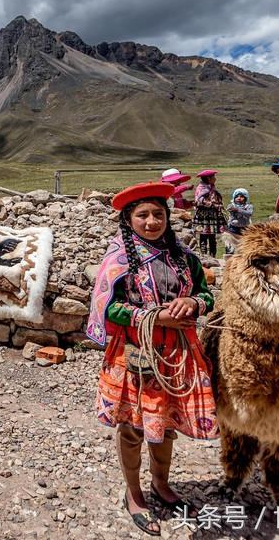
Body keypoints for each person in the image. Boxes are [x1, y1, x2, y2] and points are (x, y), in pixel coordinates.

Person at [87, 182, 218, 536]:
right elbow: (106, 308)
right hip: (135, 355)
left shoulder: (185, 258)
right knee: (132, 429)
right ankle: (134, 494)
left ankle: (161, 484)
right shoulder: (118, 261)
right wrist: (154, 317)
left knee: (167, 426)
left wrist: (193, 303)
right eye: (142, 215)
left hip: (178, 353)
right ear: (128, 219)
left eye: (158, 214)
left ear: (167, 217)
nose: (151, 221)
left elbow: (207, 295)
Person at [191, 170, 225, 258]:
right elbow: (200, 200)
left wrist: (218, 204)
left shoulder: (211, 187)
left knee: (212, 237)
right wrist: (212, 204)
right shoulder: (202, 188)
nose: (215, 179)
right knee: (203, 236)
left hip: (212, 216)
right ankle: (204, 256)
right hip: (204, 216)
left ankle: (213, 256)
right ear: (208, 178)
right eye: (213, 177)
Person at [224, 188, 253, 254]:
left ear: (246, 198)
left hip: (244, 230)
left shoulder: (249, 206)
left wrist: (238, 210)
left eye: (242, 196)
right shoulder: (231, 205)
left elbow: (249, 213)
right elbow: (228, 208)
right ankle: (229, 259)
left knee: (242, 248)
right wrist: (233, 208)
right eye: (236, 196)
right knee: (229, 246)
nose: (239, 198)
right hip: (232, 230)